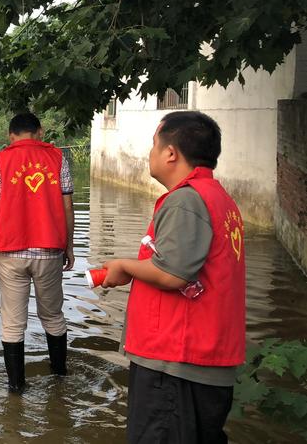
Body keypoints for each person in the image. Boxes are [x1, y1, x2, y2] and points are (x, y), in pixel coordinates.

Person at [101, 111, 245, 443]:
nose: (149, 153)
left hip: (176, 362)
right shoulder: (218, 199)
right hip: (202, 360)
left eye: (154, 144)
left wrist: (123, 266)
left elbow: (171, 273)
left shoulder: (186, 201)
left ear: (170, 153)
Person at [0, 112, 74, 393]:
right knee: (53, 315)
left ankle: (16, 388)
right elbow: (68, 207)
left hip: (10, 251)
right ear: (40, 132)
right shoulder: (58, 160)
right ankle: (60, 379)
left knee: (12, 323)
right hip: (49, 250)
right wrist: (69, 246)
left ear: (11, 135)